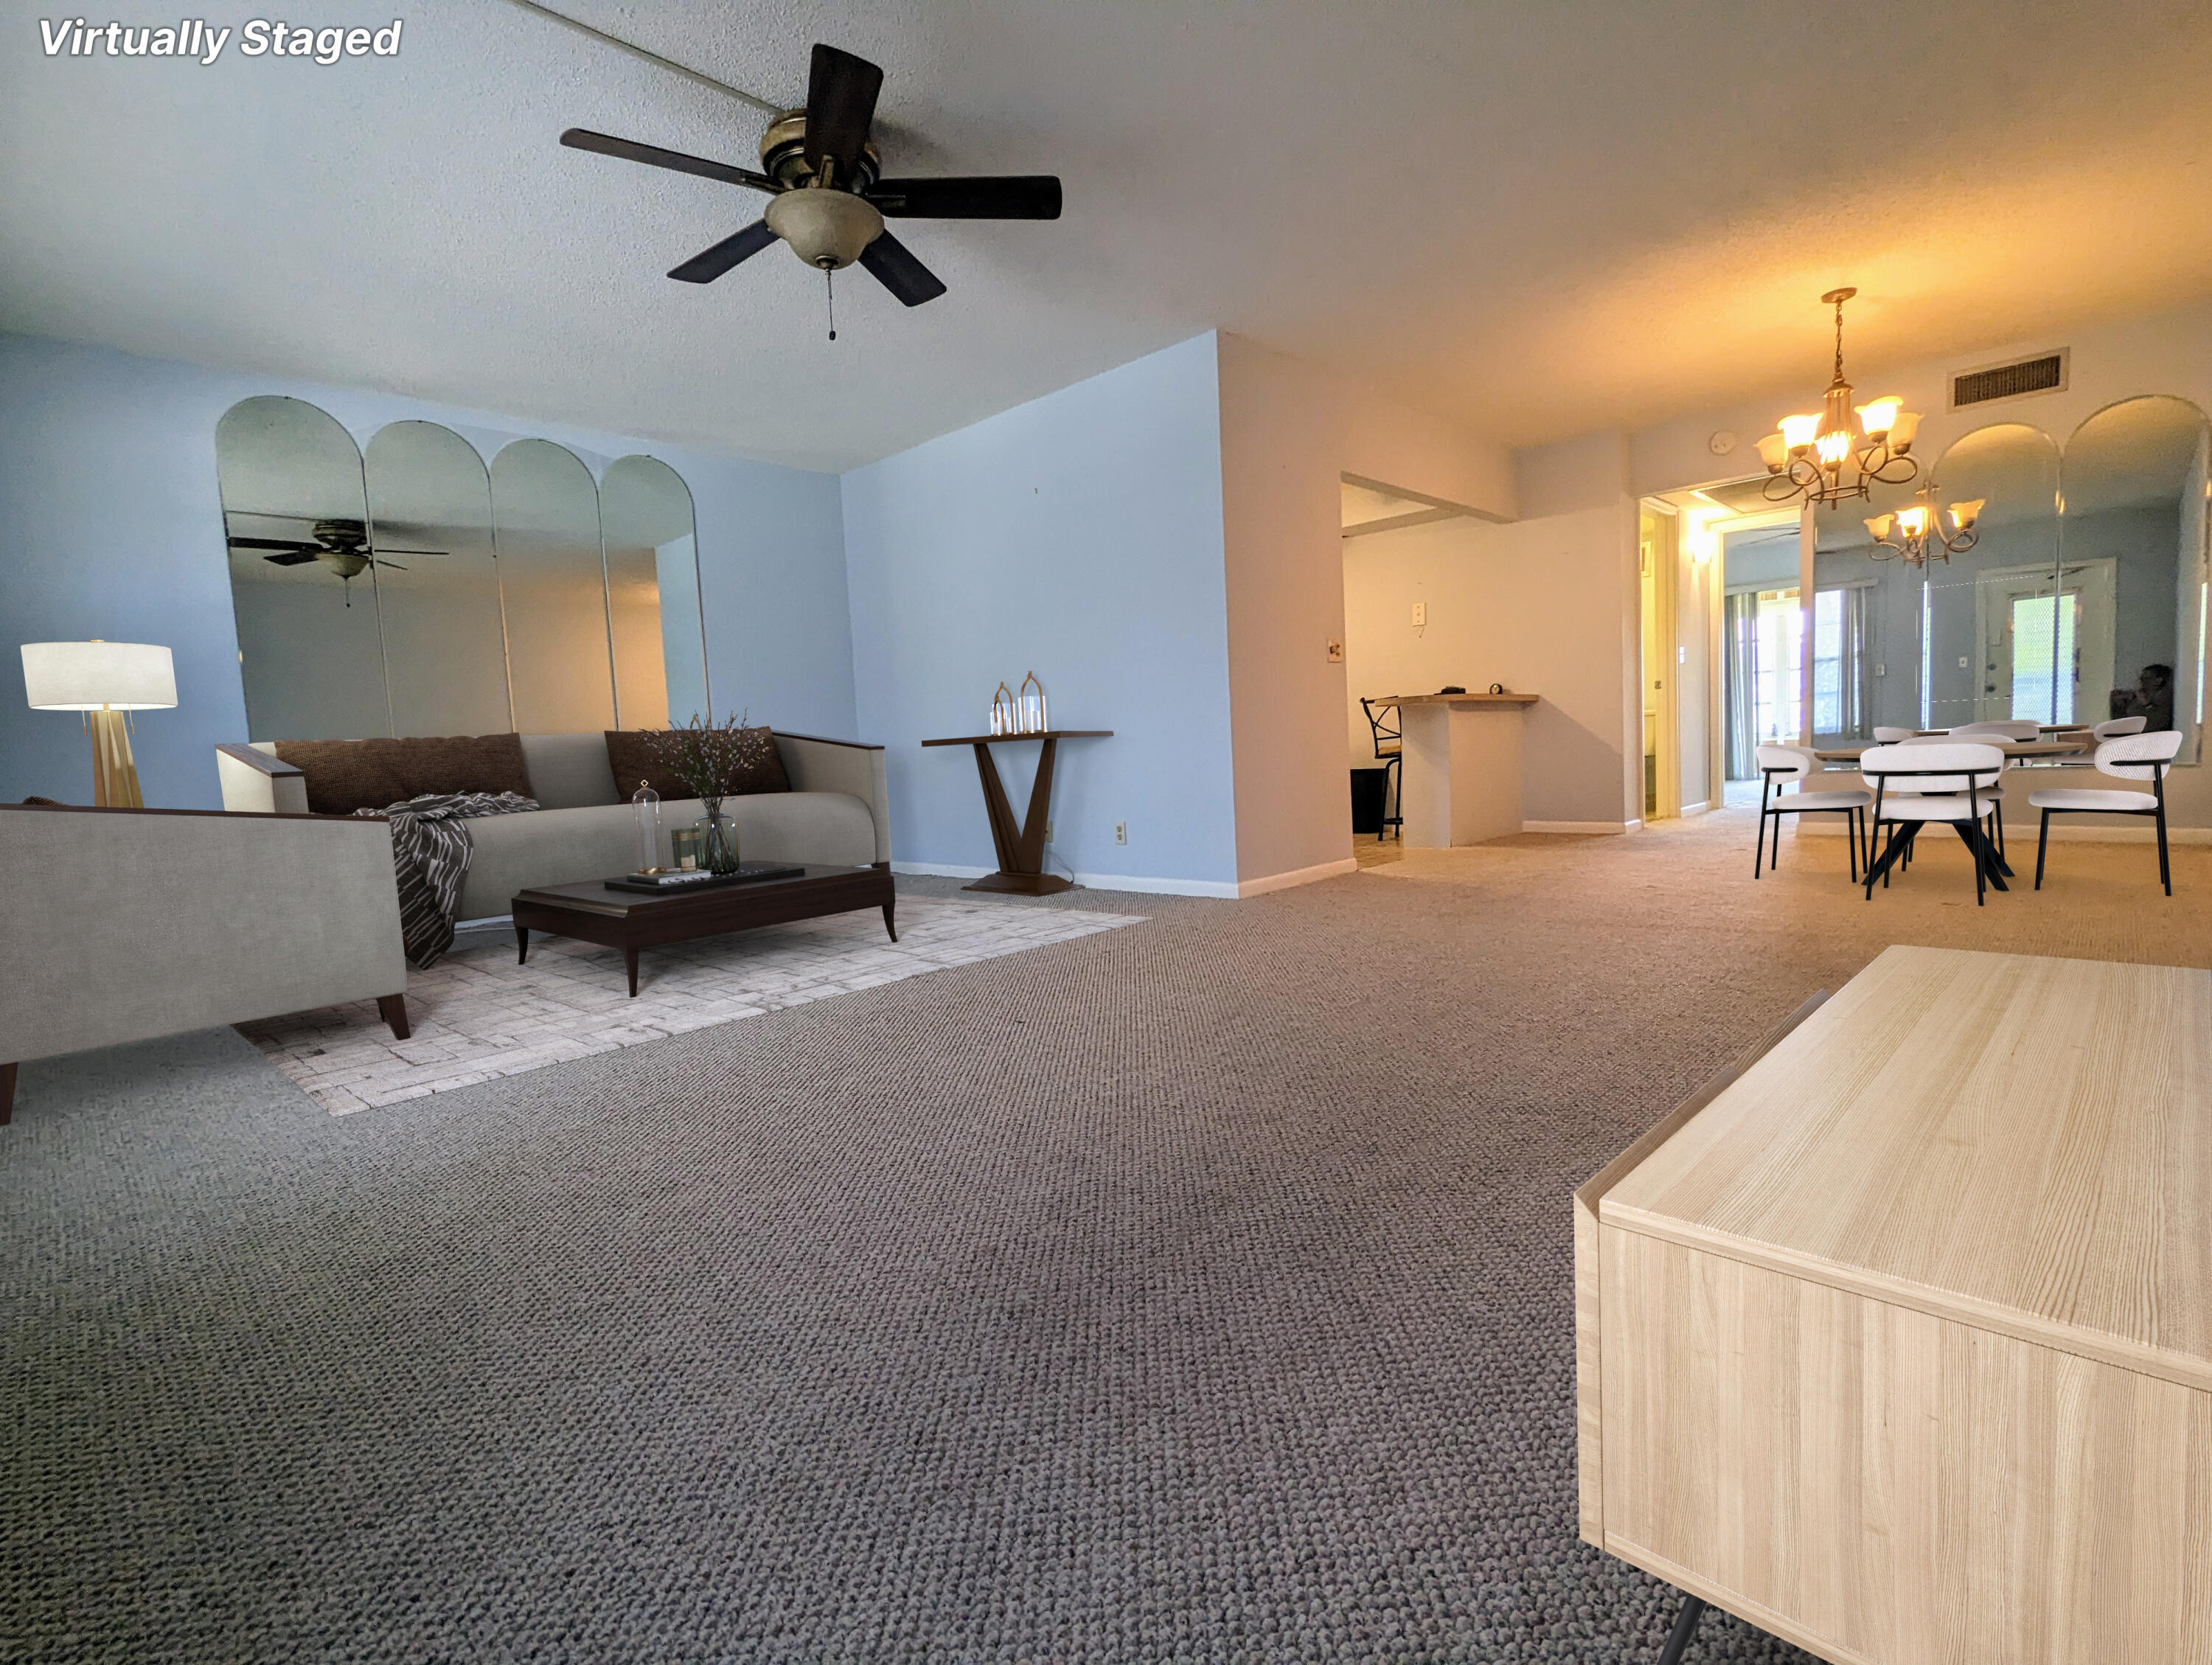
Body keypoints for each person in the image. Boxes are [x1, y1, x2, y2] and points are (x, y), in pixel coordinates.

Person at [2110, 663, 2175, 731]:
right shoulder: (2137, 696)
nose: (2142, 681)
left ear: (2158, 681)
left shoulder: (2165, 700)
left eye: (2146, 678)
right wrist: (2119, 704)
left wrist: (2147, 705)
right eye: (2141, 678)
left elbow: (2158, 724)